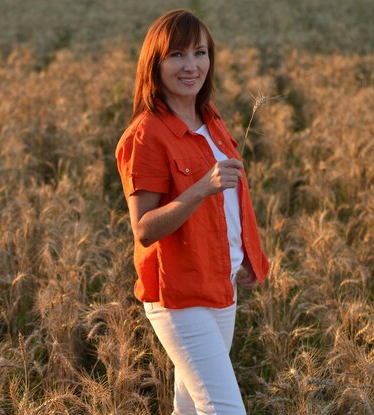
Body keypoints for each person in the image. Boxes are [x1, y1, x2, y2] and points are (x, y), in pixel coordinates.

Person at [115, 9, 270, 415]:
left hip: (222, 284)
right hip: (180, 297)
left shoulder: (211, 119)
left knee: (190, 407)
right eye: (177, 55)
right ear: (156, 64)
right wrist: (202, 187)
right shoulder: (146, 135)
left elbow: (235, 196)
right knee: (225, 409)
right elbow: (144, 229)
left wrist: (249, 256)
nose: (191, 66)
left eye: (199, 53)